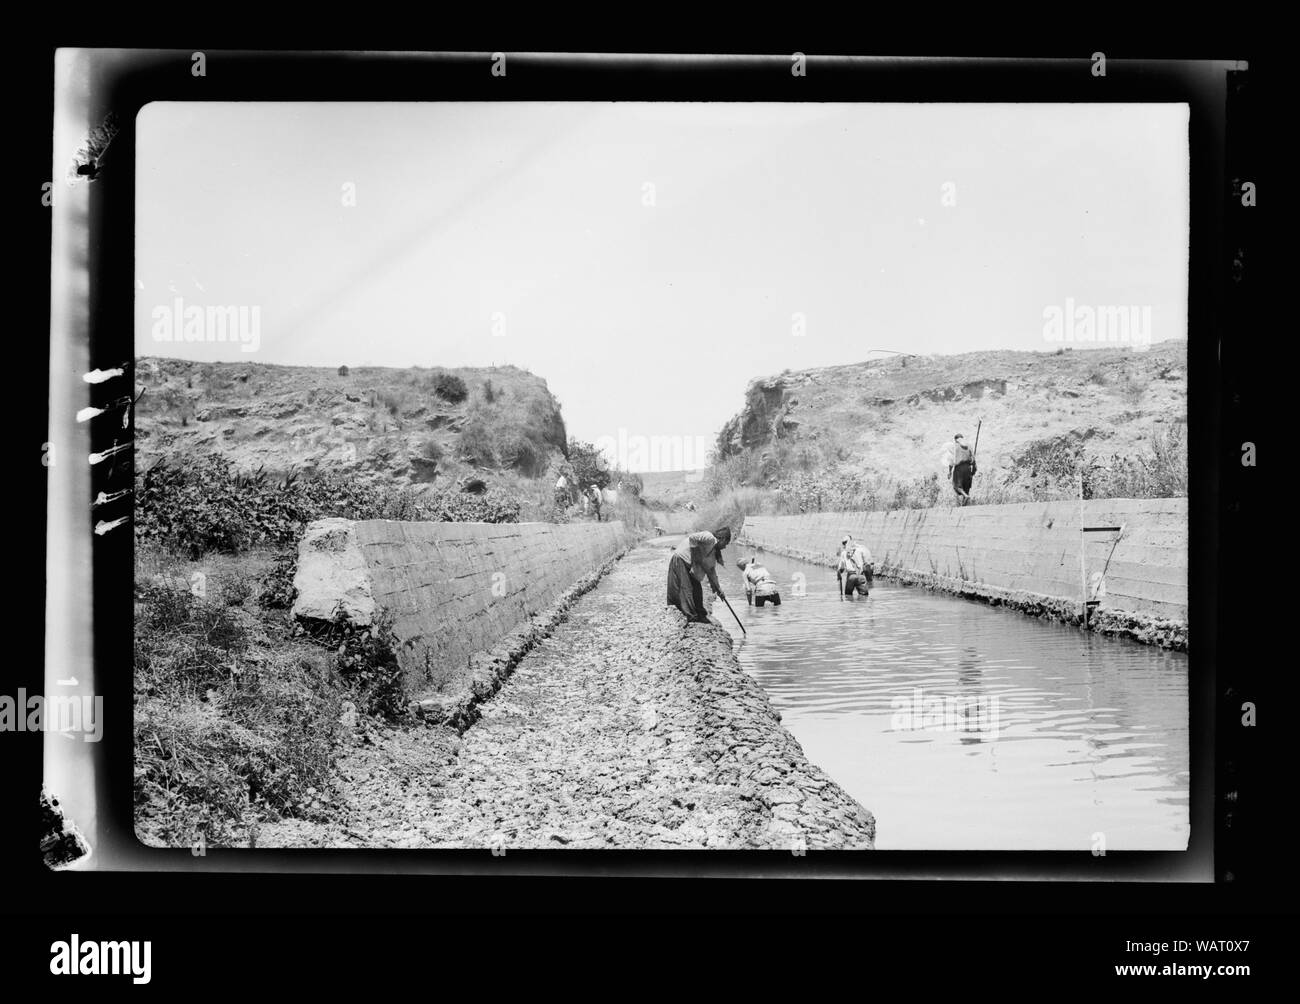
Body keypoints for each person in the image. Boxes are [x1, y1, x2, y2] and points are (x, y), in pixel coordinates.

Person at [666, 527, 732, 623]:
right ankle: (691, 616)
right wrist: (695, 553)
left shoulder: (712, 552)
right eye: (726, 543)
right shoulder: (709, 537)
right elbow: (692, 537)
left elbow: (711, 572)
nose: (725, 547)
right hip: (681, 559)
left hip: (689, 565)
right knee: (686, 588)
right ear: (722, 538)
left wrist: (719, 589)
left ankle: (700, 614)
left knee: (697, 589)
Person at [947, 433, 976, 503]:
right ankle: (965, 504)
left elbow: (951, 460)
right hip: (968, 468)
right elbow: (973, 458)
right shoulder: (969, 446)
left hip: (959, 468)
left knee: (956, 486)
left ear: (955, 440)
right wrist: (974, 469)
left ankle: (966, 496)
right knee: (966, 486)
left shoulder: (954, 446)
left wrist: (950, 471)